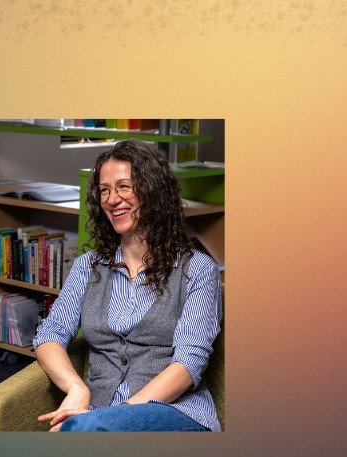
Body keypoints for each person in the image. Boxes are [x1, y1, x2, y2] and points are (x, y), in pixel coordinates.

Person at [33, 139, 222, 432]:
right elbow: (50, 333)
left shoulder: (198, 270)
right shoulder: (88, 267)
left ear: (153, 192)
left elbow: (188, 364)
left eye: (124, 186)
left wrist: (115, 416)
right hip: (99, 416)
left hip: (174, 412)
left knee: (78, 432)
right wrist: (77, 389)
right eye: (104, 190)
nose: (111, 199)